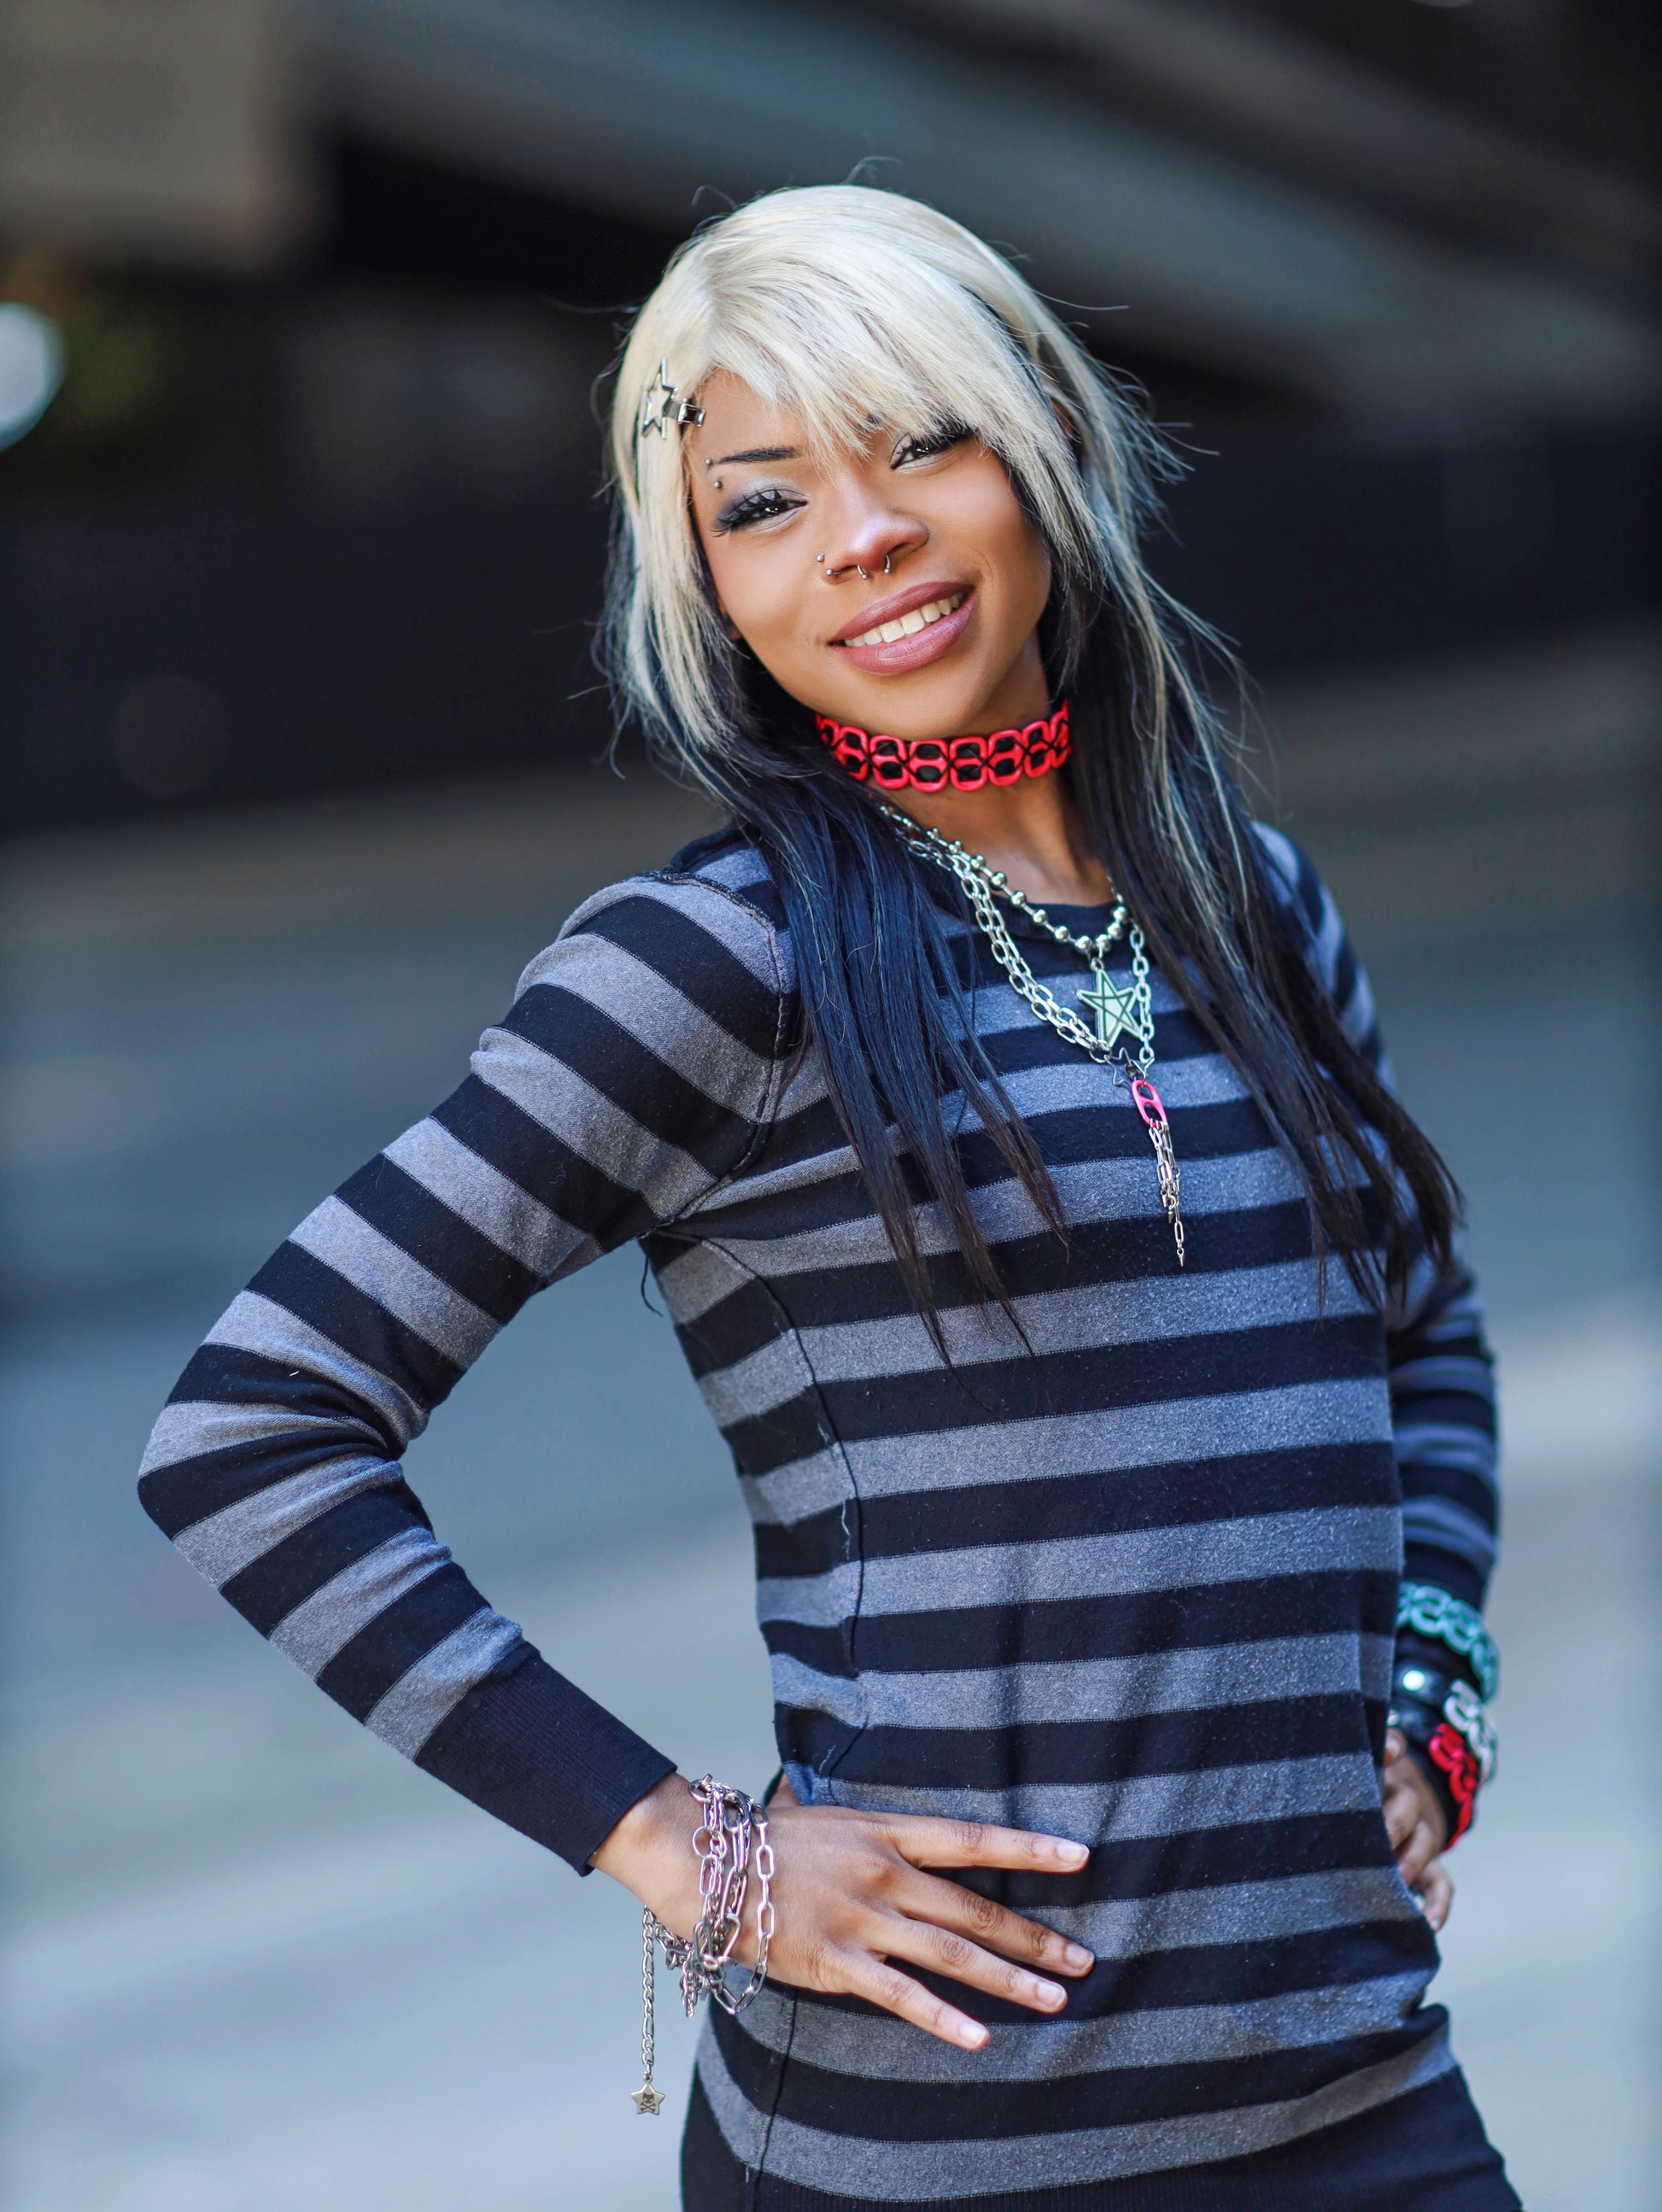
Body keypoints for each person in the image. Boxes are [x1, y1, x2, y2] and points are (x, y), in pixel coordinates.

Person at [138, 185, 1514, 2209]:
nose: (858, 537)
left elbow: (1422, 1328)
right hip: (935, 2147)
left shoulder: (1250, 899)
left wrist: (1428, 1677)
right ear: (704, 584)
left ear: (1039, 437)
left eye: (916, 443)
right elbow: (252, 1429)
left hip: (1362, 2096)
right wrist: (688, 1846)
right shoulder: (715, 962)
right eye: (761, 502)